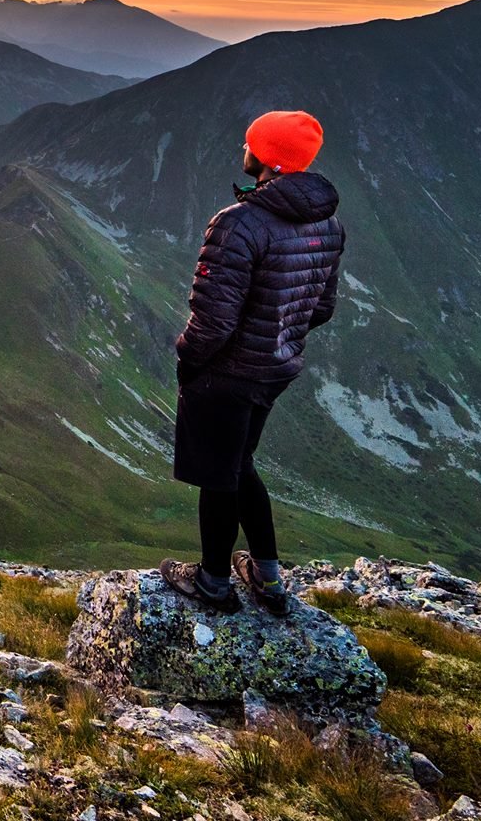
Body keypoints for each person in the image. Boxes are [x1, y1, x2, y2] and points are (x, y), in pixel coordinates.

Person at [161, 110, 343, 617]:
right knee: (240, 464)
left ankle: (213, 582)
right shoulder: (327, 223)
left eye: (250, 142)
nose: (244, 147)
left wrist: (188, 361)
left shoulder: (238, 223)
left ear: (265, 158)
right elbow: (322, 307)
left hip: (228, 372)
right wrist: (279, 336)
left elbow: (213, 321)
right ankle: (267, 576)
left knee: (218, 474)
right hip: (276, 368)